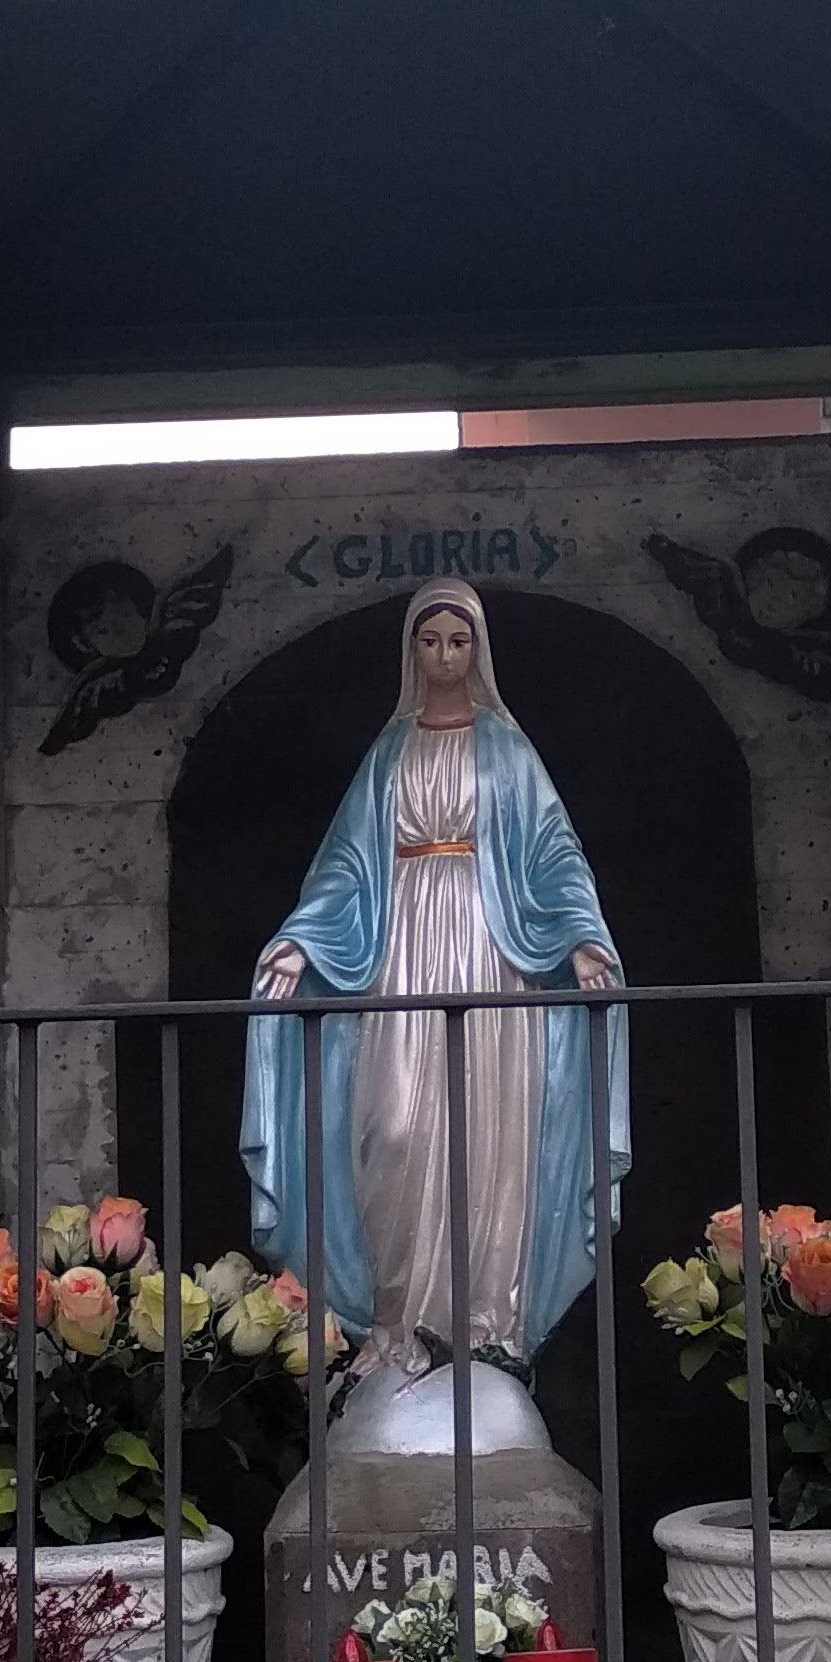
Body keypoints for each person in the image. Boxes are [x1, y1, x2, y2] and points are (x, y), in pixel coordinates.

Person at [242, 581, 628, 1380]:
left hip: (492, 951)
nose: (445, 656)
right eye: (430, 641)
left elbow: (554, 851)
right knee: (393, 1128)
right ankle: (398, 1325)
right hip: (404, 949)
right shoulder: (390, 752)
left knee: (488, 1134)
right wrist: (302, 940)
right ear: (411, 650)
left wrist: (581, 936)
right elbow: (346, 864)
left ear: (477, 649)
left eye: (459, 640)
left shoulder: (508, 751)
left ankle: (488, 1325)